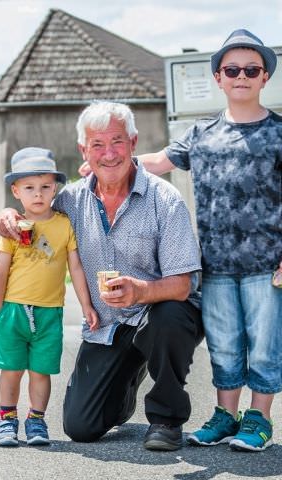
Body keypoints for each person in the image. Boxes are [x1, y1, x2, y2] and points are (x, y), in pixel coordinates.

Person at [0, 102, 204, 451]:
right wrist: (6, 214)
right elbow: (32, 210)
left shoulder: (164, 199)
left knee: (170, 317)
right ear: (83, 150)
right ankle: (128, 380)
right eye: (97, 145)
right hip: (106, 327)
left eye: (118, 141)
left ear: (134, 142)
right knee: (81, 427)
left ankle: (167, 419)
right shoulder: (70, 201)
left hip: (156, 316)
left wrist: (140, 290)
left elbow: (184, 285)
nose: (109, 154)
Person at [133, 29, 281, 452]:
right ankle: (225, 415)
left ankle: (260, 419)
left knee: (266, 348)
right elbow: (158, 161)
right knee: (225, 345)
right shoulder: (201, 134)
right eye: (231, 69)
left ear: (264, 77)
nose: (241, 76)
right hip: (214, 265)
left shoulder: (279, 132)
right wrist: (108, 164)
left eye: (251, 69)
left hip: (267, 265)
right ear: (218, 77)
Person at [0, 147, 99, 448]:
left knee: (41, 371)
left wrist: (86, 304)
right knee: (11, 369)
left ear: (55, 188)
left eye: (45, 187)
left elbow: (75, 266)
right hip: (13, 310)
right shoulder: (13, 228)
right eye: (29, 188)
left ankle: (36, 419)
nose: (38, 194)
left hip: (50, 312)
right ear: (16, 191)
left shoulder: (64, 224)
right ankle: (7, 419)